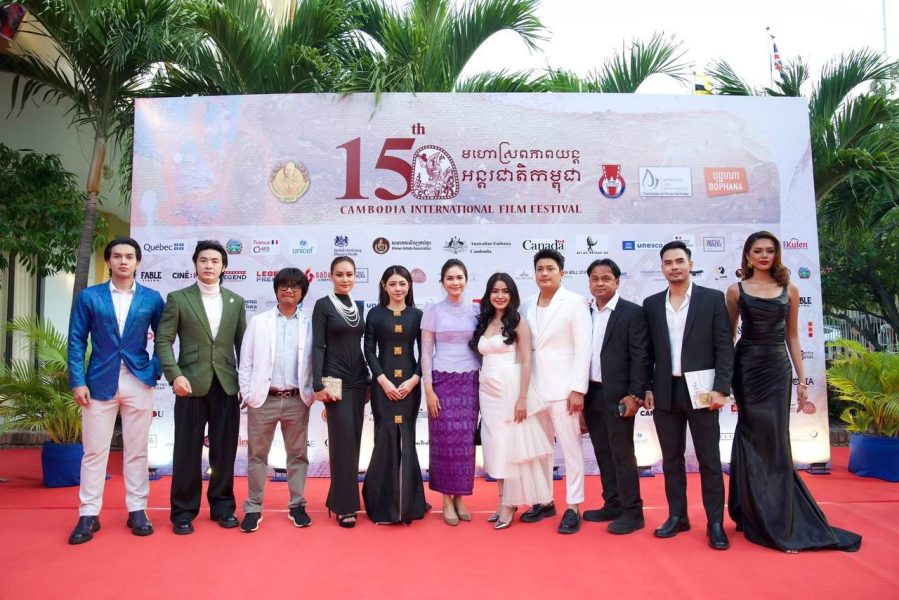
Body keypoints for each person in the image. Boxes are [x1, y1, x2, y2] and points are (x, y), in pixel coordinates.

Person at [726, 231, 861, 552]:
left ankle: (778, 515)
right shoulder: (735, 291)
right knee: (749, 434)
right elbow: (728, 337)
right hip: (746, 368)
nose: (764, 255)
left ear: (776, 255)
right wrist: (724, 379)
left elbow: (793, 337)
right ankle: (751, 510)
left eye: (769, 250)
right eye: (757, 251)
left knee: (775, 439)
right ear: (748, 256)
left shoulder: (790, 289)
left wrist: (802, 380)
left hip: (776, 368)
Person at [66, 237, 165, 544]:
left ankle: (137, 510)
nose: (123, 261)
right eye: (117, 256)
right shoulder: (89, 296)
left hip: (138, 379)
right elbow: (76, 340)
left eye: (129, 256)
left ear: (137, 262)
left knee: (137, 450)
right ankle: (88, 514)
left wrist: (154, 370)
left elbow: (164, 338)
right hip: (99, 381)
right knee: (94, 451)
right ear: (108, 261)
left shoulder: (152, 298)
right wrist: (77, 381)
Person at [643, 240, 733, 550]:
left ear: (691, 264)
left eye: (679, 261)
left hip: (703, 390)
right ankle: (677, 516)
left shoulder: (712, 299)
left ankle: (715, 523)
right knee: (671, 459)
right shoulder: (652, 304)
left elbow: (725, 346)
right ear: (662, 268)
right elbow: (646, 353)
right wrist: (647, 387)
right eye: (668, 262)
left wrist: (722, 388)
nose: (674, 267)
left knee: (709, 460)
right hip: (665, 390)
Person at [156, 240, 247, 535]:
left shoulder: (236, 301)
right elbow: (163, 340)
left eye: (215, 261)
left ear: (224, 267)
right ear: (195, 264)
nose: (209, 265)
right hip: (190, 384)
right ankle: (183, 511)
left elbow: (243, 346)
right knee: (186, 451)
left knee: (225, 451)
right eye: (204, 260)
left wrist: (246, 384)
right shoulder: (178, 298)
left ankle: (223, 507)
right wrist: (174, 375)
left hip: (226, 384)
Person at [471, 273, 553, 530]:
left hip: (510, 388)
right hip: (487, 389)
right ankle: (501, 500)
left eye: (505, 291)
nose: (500, 296)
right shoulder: (484, 321)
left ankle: (511, 503)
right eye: (495, 291)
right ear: (488, 294)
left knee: (510, 446)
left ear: (512, 294)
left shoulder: (518, 321)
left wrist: (522, 398)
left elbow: (527, 361)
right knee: (494, 444)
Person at [237, 268, 314, 533]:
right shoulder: (259, 321)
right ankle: (253, 507)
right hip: (263, 400)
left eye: (295, 286)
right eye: (284, 286)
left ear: (302, 292)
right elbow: (246, 361)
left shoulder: (310, 324)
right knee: (257, 456)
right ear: (276, 290)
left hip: (296, 399)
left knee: (298, 456)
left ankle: (297, 505)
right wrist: (247, 393)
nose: (289, 290)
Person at [521, 248, 592, 534]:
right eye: (540, 269)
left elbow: (584, 348)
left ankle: (573, 506)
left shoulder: (575, 303)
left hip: (564, 391)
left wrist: (578, 389)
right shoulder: (527, 304)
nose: (544, 273)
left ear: (562, 273)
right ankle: (544, 500)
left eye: (550, 268)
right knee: (540, 451)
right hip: (534, 389)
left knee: (571, 451)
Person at [583, 258, 650, 535]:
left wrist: (635, 394)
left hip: (620, 396)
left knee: (622, 454)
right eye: (594, 278)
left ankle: (633, 512)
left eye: (606, 278)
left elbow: (641, 356)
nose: (600, 283)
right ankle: (612, 504)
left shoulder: (632, 313)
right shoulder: (584, 313)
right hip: (592, 394)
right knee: (603, 452)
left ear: (617, 282)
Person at [362, 266, 426, 525]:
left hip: (410, 386)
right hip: (383, 387)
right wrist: (383, 381)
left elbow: (426, 352)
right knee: (385, 437)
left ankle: (410, 504)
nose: (398, 288)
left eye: (403, 284)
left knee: (407, 437)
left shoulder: (418, 315)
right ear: (383, 286)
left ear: (409, 286)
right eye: (393, 284)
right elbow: (369, 350)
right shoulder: (375, 314)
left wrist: (414, 380)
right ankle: (382, 504)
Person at [422, 259, 480, 526]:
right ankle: (446, 499)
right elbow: (425, 351)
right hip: (441, 380)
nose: (455, 282)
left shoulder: (477, 311)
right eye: (450, 278)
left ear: (466, 280)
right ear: (442, 282)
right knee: (444, 441)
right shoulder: (432, 311)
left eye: (459, 278)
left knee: (465, 442)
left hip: (470, 381)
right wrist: (428, 388)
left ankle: (460, 497)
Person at [312, 256, 368, 528]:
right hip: (334, 380)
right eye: (340, 274)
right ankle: (345, 506)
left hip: (359, 379)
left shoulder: (359, 306)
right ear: (331, 276)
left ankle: (339, 498)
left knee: (353, 440)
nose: (345, 279)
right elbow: (317, 346)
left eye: (349, 274)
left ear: (355, 276)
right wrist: (318, 384)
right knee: (342, 441)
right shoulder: (323, 305)